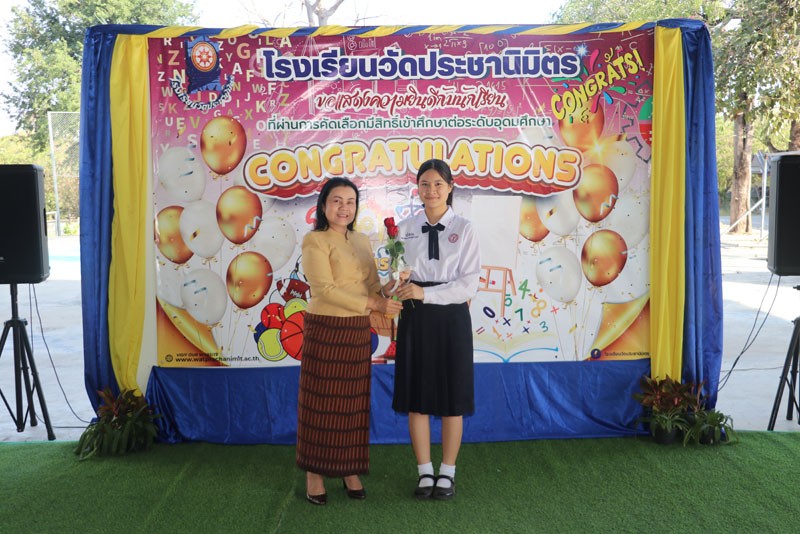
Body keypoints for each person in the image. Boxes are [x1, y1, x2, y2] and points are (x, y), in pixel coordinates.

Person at [296, 177, 403, 505]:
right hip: (326, 328)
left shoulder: (361, 240)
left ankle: (349, 469)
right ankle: (314, 474)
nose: (344, 208)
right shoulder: (315, 240)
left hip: (357, 329)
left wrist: (389, 288)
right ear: (323, 205)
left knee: (352, 404)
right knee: (320, 403)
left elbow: (371, 285)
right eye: (337, 201)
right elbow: (324, 290)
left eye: (350, 202)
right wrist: (375, 304)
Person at [390, 159, 481, 500]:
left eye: (438, 184)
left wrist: (425, 293)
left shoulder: (465, 229)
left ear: (450, 187)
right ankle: (424, 471)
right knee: (417, 399)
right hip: (415, 317)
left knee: (452, 398)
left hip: (451, 318)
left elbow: (468, 285)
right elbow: (396, 275)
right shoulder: (404, 229)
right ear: (417, 188)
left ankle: (448, 472)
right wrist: (395, 282)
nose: (431, 191)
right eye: (425, 184)